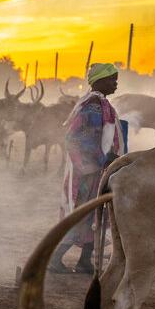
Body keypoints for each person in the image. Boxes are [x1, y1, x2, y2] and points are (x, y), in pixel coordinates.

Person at [48, 63, 123, 274]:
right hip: (87, 171)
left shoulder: (101, 105)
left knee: (96, 215)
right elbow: (76, 138)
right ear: (98, 81)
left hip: (97, 170)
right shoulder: (93, 107)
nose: (115, 83)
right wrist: (103, 158)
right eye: (111, 79)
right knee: (81, 213)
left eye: (116, 79)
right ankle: (54, 259)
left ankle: (85, 261)